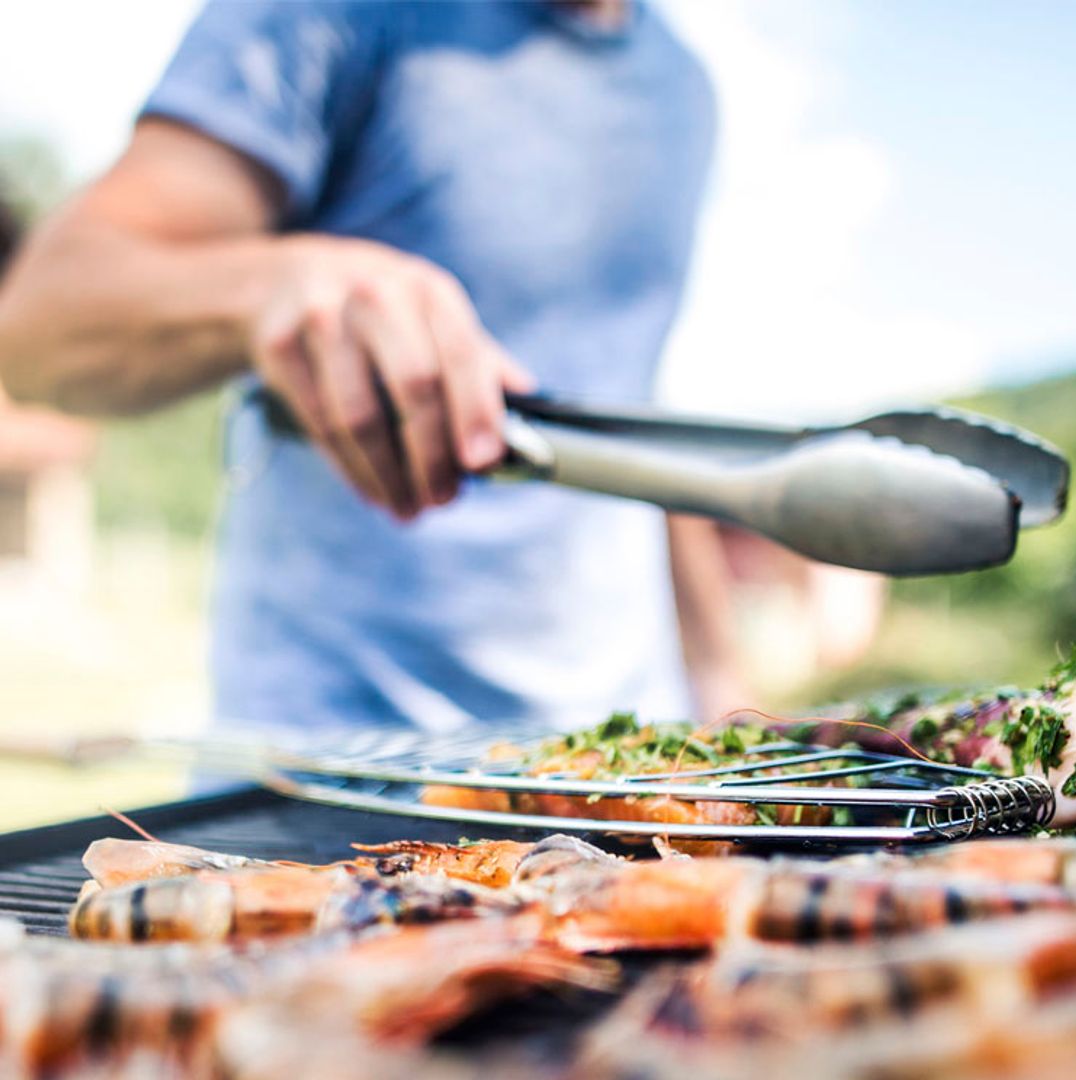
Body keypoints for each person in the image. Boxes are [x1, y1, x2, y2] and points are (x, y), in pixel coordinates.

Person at [0, 0, 742, 742]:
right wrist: (271, 288)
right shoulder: (325, 16)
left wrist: (721, 679)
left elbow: (627, 395)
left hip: (618, 758)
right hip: (337, 773)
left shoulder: (684, 88)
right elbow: (35, 328)